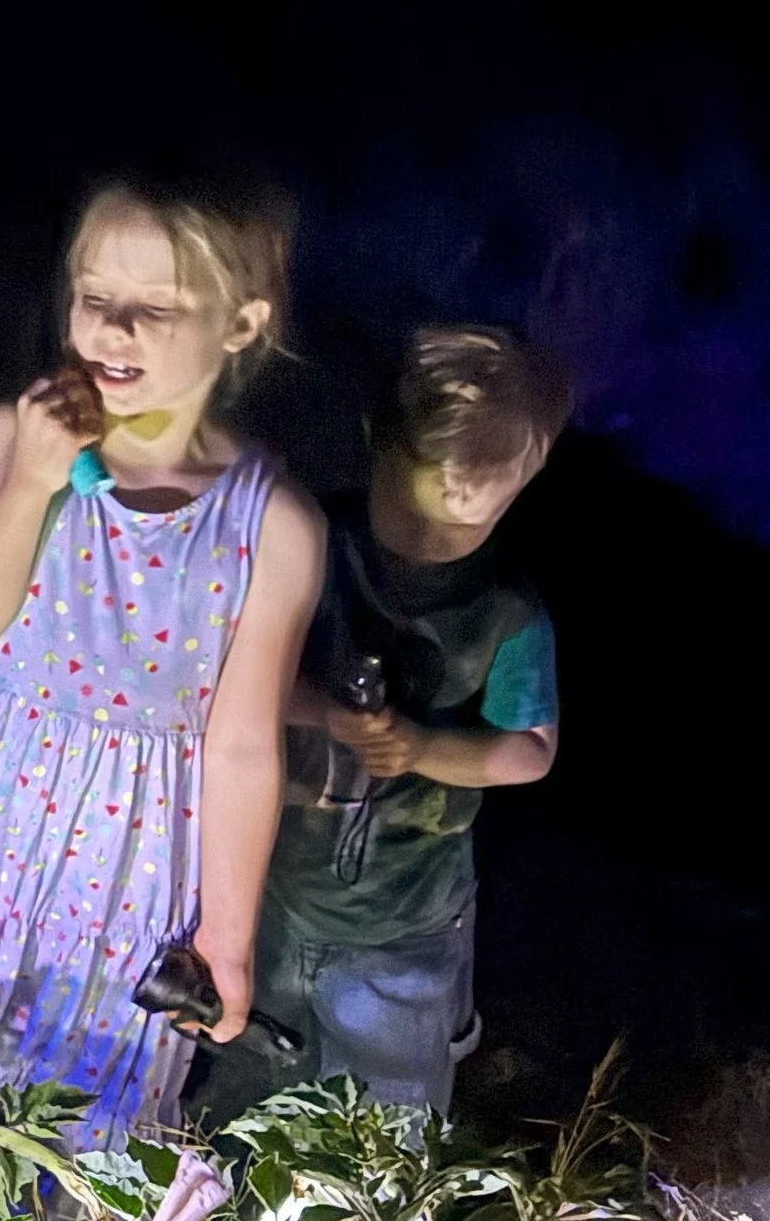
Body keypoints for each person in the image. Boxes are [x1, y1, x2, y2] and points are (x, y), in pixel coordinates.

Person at [0, 185, 325, 1139]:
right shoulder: (12, 441)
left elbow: (242, 748)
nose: (113, 325)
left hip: (127, 893)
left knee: (77, 1146)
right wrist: (31, 484)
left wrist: (227, 936)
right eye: (94, 294)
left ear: (241, 325)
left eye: (158, 306)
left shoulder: (274, 524)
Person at [190, 324, 570, 1122]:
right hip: (270, 891)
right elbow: (229, 663)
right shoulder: (309, 543)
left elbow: (530, 750)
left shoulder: (508, 613)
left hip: (406, 929)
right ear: (375, 444)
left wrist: (424, 747)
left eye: (464, 527)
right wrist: (322, 710)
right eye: (415, 509)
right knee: (250, 1083)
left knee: (384, 1117)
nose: (431, 548)